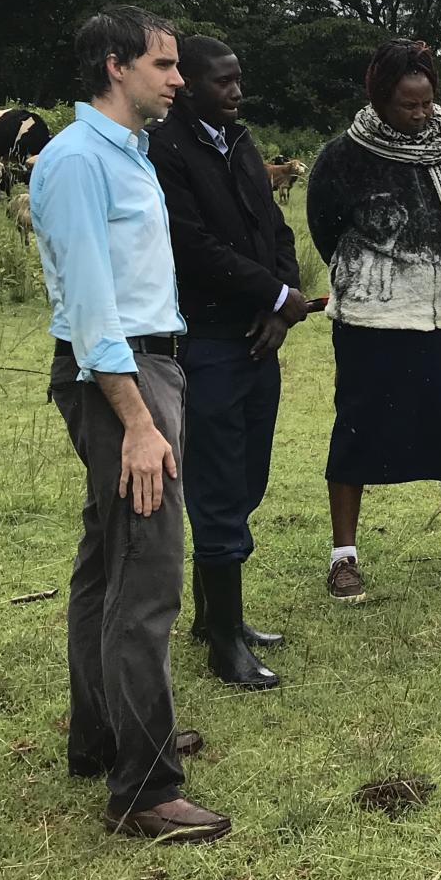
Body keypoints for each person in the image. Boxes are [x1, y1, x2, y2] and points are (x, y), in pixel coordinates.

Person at [30, 5, 229, 844]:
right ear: (116, 65)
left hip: (146, 362)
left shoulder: (127, 152)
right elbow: (88, 307)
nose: (178, 78)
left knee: (106, 558)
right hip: (121, 374)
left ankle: (104, 734)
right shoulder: (78, 161)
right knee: (147, 575)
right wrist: (139, 422)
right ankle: (143, 789)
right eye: (164, 64)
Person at [306, 39, 441, 599]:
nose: (421, 114)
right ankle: (344, 556)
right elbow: (325, 230)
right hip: (371, 320)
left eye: (427, 102)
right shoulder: (343, 156)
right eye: (408, 104)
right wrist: (377, 278)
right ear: (379, 98)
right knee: (356, 430)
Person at [148, 36, 310, 690]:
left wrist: (281, 302)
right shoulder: (167, 150)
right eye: (223, 81)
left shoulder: (238, 143)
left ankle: (220, 614)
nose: (236, 91)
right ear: (186, 83)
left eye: (239, 79)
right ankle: (223, 644)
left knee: (248, 474)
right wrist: (271, 292)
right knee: (216, 484)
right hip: (206, 338)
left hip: (257, 336)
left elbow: (275, 229)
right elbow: (192, 244)